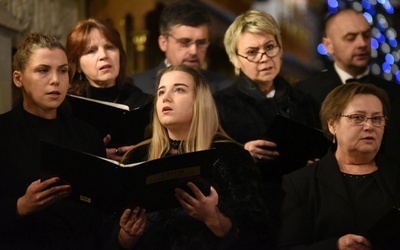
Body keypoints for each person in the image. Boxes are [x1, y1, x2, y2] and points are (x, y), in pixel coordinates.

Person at [110, 65, 271, 249]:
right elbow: (110, 234)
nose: (166, 98)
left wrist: (213, 217)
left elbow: (259, 235)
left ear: (199, 101)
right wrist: (126, 236)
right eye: (161, 92)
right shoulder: (137, 157)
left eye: (179, 90)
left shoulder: (230, 155)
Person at [214, 10, 320, 243]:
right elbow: (210, 162)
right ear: (236, 59)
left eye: (270, 47)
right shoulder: (219, 104)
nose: (264, 57)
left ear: (280, 49)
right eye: (252, 52)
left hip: (303, 212)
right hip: (251, 218)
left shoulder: (304, 102)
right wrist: (242, 155)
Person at [0, 33, 110, 249]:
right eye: (43, 70)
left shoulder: (87, 135)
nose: (55, 80)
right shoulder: (3, 132)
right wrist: (21, 206)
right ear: (18, 78)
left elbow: (101, 215)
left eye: (62, 71)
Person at [278, 83, 400, 249]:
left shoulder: (395, 173)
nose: (369, 126)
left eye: (377, 118)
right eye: (357, 117)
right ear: (332, 124)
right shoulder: (301, 183)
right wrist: (335, 246)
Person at [295, 8, 400, 164]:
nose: (362, 44)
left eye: (366, 35)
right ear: (328, 45)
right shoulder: (305, 92)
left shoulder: (395, 94)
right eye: (350, 38)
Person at [65, 18, 151, 159]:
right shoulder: (67, 107)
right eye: (91, 51)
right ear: (78, 66)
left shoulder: (143, 100)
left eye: (110, 47)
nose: (104, 56)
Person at [131, 1, 233, 95]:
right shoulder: (136, 87)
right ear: (163, 43)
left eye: (201, 43)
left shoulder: (226, 89)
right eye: (185, 42)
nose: (194, 51)